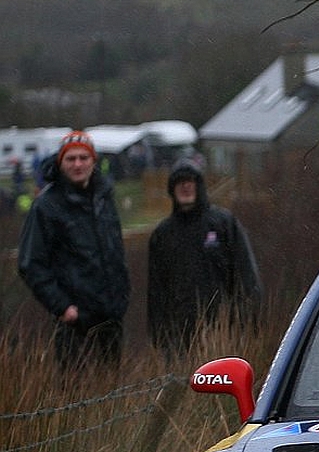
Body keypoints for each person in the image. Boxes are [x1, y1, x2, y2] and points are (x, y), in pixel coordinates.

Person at [17, 130, 131, 366]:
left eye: (83, 158)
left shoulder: (104, 198)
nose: (77, 164)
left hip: (111, 316)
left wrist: (122, 295)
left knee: (112, 392)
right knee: (79, 395)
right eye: (71, 159)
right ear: (61, 162)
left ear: (93, 161)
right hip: (75, 323)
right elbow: (30, 264)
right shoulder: (47, 206)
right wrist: (63, 307)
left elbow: (115, 250)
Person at [146, 159, 263, 354]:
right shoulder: (163, 235)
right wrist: (159, 338)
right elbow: (156, 293)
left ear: (199, 185)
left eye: (190, 180)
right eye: (180, 181)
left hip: (224, 332)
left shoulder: (223, 224)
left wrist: (246, 323)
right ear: (172, 189)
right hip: (180, 338)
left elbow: (246, 277)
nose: (185, 186)